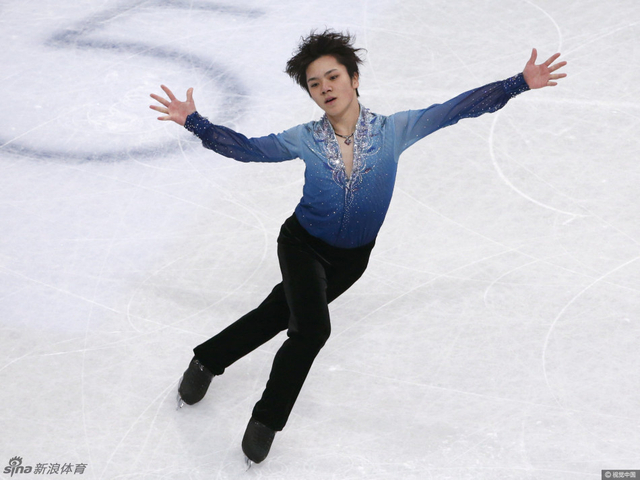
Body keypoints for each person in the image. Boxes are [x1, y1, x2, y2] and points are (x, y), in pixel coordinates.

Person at [149, 30, 567, 464]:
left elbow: (454, 110)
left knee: (276, 314)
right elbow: (249, 150)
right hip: (301, 244)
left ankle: (207, 360)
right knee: (311, 330)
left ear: (354, 79)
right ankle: (266, 421)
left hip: (351, 261)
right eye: (315, 83)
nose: (325, 88)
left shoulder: (394, 130)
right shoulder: (304, 137)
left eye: (332, 77)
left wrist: (518, 83)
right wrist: (196, 122)